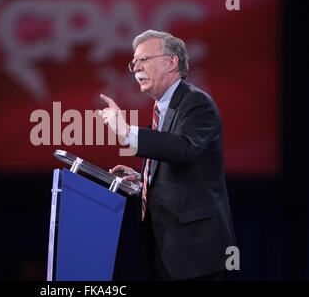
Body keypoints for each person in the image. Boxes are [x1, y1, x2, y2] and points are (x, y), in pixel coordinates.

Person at [98, 30, 236, 280]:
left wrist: (127, 132)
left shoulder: (196, 103)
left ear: (172, 62)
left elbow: (184, 148)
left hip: (196, 256)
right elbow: (171, 164)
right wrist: (143, 180)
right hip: (165, 250)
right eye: (133, 63)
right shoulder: (162, 109)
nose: (136, 68)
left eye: (144, 60)